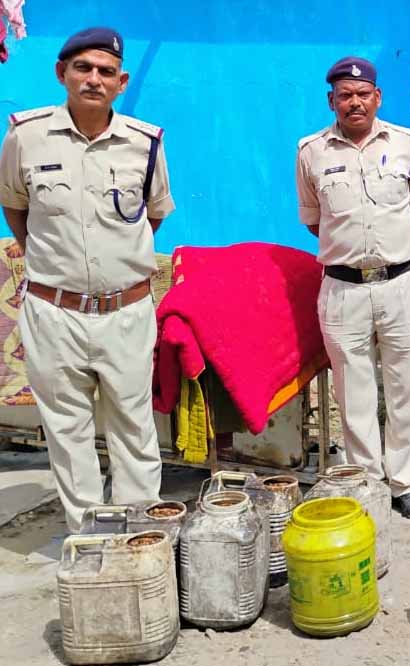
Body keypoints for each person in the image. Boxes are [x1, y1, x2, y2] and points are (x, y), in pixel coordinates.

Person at [0, 27, 174, 532]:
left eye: (105, 72)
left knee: (134, 428)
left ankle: (142, 536)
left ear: (121, 83)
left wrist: (113, 263)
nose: (93, 80)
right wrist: (60, 267)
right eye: (82, 68)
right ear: (62, 74)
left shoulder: (145, 144)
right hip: (54, 313)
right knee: (68, 431)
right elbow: (17, 208)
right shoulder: (25, 136)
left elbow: (151, 216)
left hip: (126, 311)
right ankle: (90, 539)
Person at [296, 56, 410, 522]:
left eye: (363, 94)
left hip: (402, 284)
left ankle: (406, 483)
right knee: (352, 391)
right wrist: (355, 257)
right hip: (342, 288)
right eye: (344, 95)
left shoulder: (407, 144)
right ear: (331, 101)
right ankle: (366, 482)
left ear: (377, 97)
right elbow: (316, 220)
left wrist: (395, 258)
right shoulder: (311, 151)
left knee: (406, 387)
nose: (354, 102)